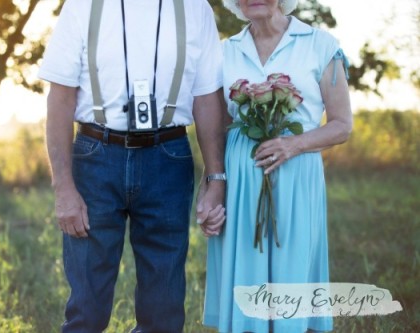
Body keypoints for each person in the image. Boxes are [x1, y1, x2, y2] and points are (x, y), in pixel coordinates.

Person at [38, 0, 227, 332]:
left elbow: (207, 97)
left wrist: (216, 178)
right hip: (95, 157)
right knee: (87, 305)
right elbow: (60, 97)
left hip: (168, 157)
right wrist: (63, 188)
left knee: (164, 306)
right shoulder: (83, 5)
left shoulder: (195, 8)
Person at [201, 0, 353, 332]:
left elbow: (342, 125)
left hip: (297, 173)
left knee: (291, 269)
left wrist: (292, 144)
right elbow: (216, 128)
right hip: (241, 177)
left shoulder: (320, 44)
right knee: (246, 273)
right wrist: (212, 188)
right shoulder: (224, 52)